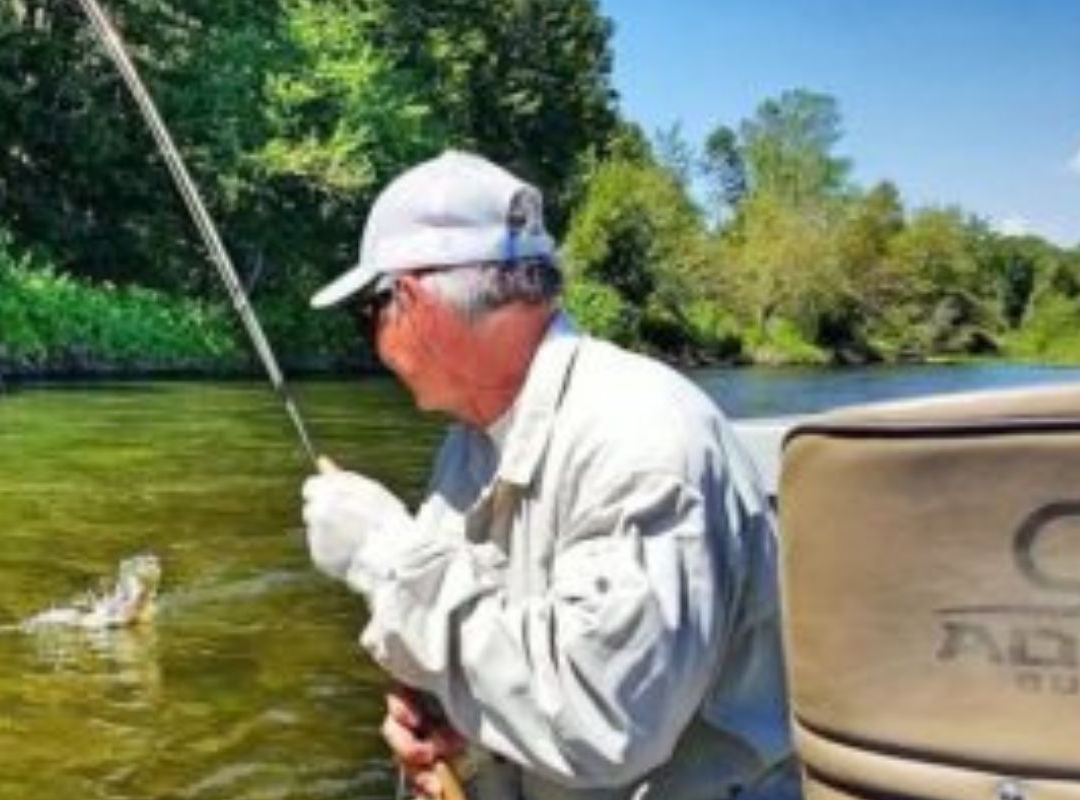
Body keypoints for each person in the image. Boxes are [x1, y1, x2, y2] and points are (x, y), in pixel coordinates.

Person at [300, 151, 796, 800]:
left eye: (369, 312)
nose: (370, 337)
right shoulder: (470, 441)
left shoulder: (643, 440)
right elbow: (486, 631)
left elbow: (605, 724)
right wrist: (450, 718)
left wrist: (382, 556)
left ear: (413, 300)